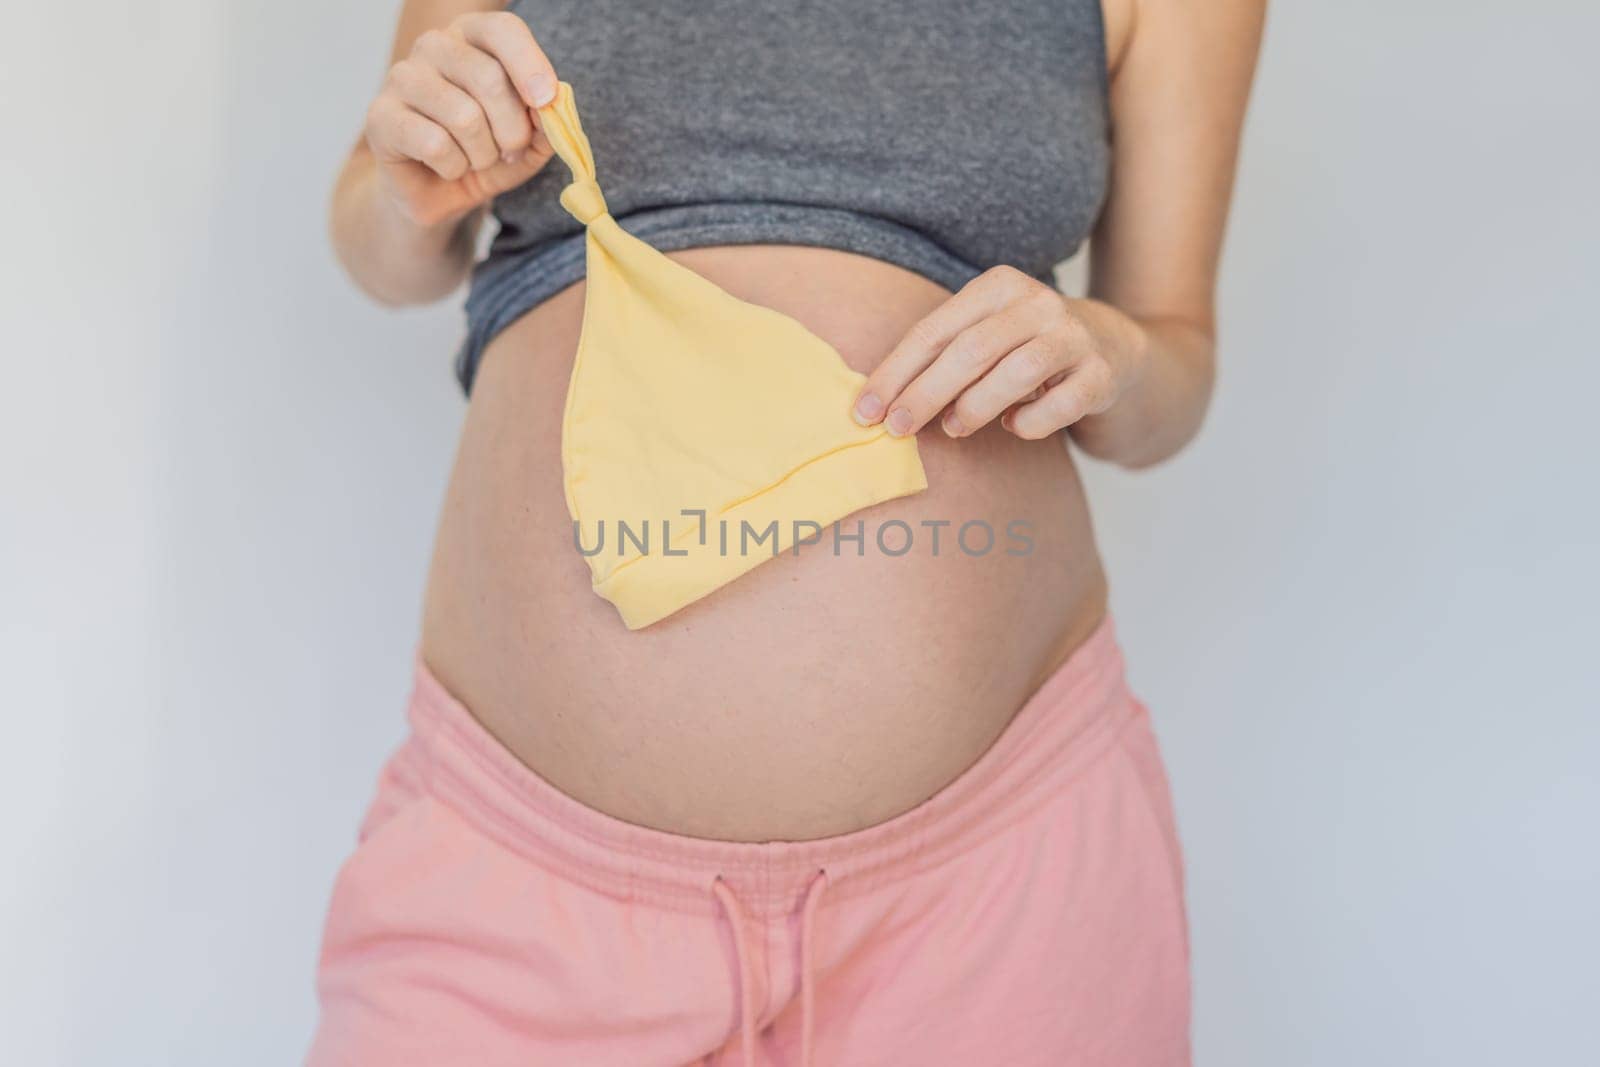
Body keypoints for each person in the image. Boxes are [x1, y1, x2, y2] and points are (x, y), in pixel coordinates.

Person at [309, 1, 1264, 1063]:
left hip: (998, 884)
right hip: (516, 879)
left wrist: (1114, 350)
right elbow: (384, 244)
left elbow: (1173, 367)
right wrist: (405, 194)